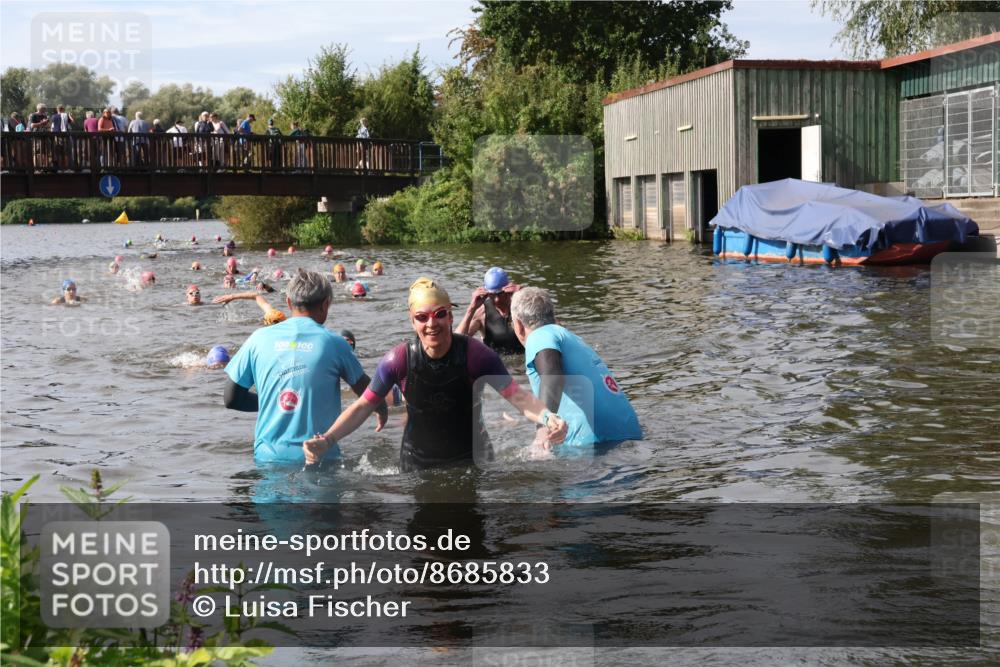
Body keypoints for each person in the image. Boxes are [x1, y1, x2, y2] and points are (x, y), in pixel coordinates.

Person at [303, 278, 567, 471]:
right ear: (412, 321)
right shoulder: (398, 360)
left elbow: (518, 397)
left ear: (451, 317)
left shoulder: (476, 355)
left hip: (472, 461)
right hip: (416, 465)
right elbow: (363, 406)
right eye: (422, 317)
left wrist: (548, 417)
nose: (432, 324)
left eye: (440, 314)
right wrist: (327, 440)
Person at [222, 269, 386, 464]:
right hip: (319, 457)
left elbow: (231, 399)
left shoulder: (258, 338)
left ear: (289, 303)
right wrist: (382, 408)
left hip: (268, 457)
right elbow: (369, 394)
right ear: (326, 304)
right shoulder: (335, 343)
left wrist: (275, 402)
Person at [510, 287, 642, 447]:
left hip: (596, 443)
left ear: (518, 324)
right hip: (630, 432)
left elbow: (552, 376)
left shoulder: (539, 335)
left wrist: (542, 431)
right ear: (552, 315)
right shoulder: (570, 337)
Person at [456, 267, 524, 355]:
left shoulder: (521, 307)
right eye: (492, 295)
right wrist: (471, 309)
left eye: (500, 294)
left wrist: (524, 293)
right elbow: (457, 343)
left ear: (508, 290)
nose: (496, 300)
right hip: (494, 365)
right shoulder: (481, 313)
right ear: (486, 293)